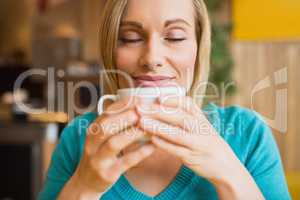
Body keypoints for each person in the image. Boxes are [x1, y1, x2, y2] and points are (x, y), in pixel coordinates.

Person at [38, 0, 291, 199]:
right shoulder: (79, 138)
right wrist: (84, 186)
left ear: (198, 46)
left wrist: (227, 170)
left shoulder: (247, 134)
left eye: (175, 37)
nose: (152, 58)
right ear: (110, 49)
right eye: (131, 38)